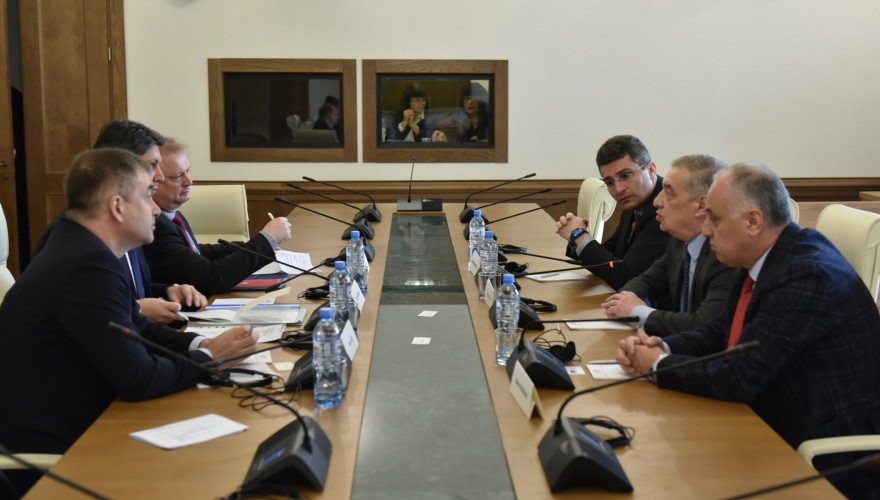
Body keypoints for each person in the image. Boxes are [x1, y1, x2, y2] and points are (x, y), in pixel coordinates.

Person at [0, 148, 257, 496]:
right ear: (117, 206)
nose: (155, 209)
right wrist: (211, 360)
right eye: (148, 195)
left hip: (88, 421)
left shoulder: (81, 245)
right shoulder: (88, 265)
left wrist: (201, 344)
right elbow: (138, 378)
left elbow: (137, 325)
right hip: (55, 457)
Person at [616, 162, 880, 498]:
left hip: (824, 454)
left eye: (715, 218)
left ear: (753, 221)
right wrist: (663, 345)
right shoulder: (763, 254)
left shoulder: (805, 275)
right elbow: (720, 331)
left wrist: (655, 365)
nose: (706, 230)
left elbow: (741, 375)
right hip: (766, 418)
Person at [33, 119, 207, 324]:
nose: (159, 176)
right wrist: (137, 309)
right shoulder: (77, 240)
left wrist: (169, 291)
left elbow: (135, 289)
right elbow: (91, 318)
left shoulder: (125, 222)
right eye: (152, 165)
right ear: (118, 165)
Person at [602, 154, 735, 336]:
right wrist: (626, 301)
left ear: (702, 205)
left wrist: (639, 312)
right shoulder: (680, 241)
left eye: (669, 192)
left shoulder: (728, 257)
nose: (657, 201)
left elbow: (703, 326)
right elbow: (648, 280)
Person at [142, 138, 292, 297]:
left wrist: (254, 246)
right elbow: (214, 279)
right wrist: (266, 240)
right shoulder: (155, 226)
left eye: (188, 171)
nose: (189, 181)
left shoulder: (172, 215)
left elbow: (196, 252)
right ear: (154, 183)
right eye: (177, 176)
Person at [556, 135, 669, 290]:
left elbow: (625, 277)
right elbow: (610, 257)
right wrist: (577, 238)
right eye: (609, 182)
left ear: (651, 170)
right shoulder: (635, 201)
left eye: (626, 175)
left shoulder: (666, 208)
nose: (618, 189)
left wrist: (580, 236)